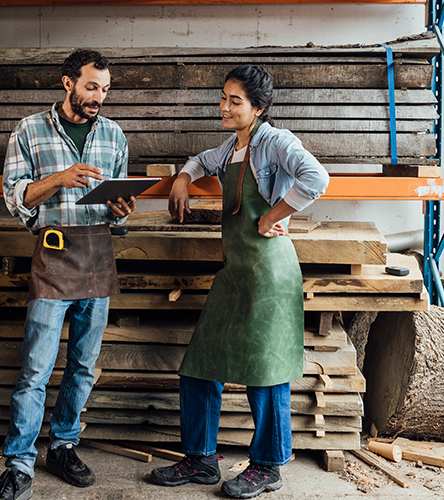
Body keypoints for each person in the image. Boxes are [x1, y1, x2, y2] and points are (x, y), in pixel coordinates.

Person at [150, 65, 329, 499]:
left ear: (258, 108)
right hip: (235, 273)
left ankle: (267, 467)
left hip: (269, 272)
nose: (224, 107)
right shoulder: (232, 146)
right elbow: (200, 160)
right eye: (223, 97)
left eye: (235, 101)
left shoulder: (274, 142)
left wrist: (272, 215)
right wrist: (183, 178)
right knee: (199, 366)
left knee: (265, 374)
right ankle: (201, 460)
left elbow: (316, 178)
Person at [0, 49, 135, 500]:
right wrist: (59, 178)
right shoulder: (29, 130)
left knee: (84, 367)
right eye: (92, 86)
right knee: (36, 368)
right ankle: (18, 464)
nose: (99, 97)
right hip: (53, 255)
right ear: (67, 82)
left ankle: (64, 445)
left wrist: (123, 209)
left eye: (105, 89)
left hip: (97, 254)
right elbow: (15, 198)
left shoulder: (113, 135)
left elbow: (121, 212)